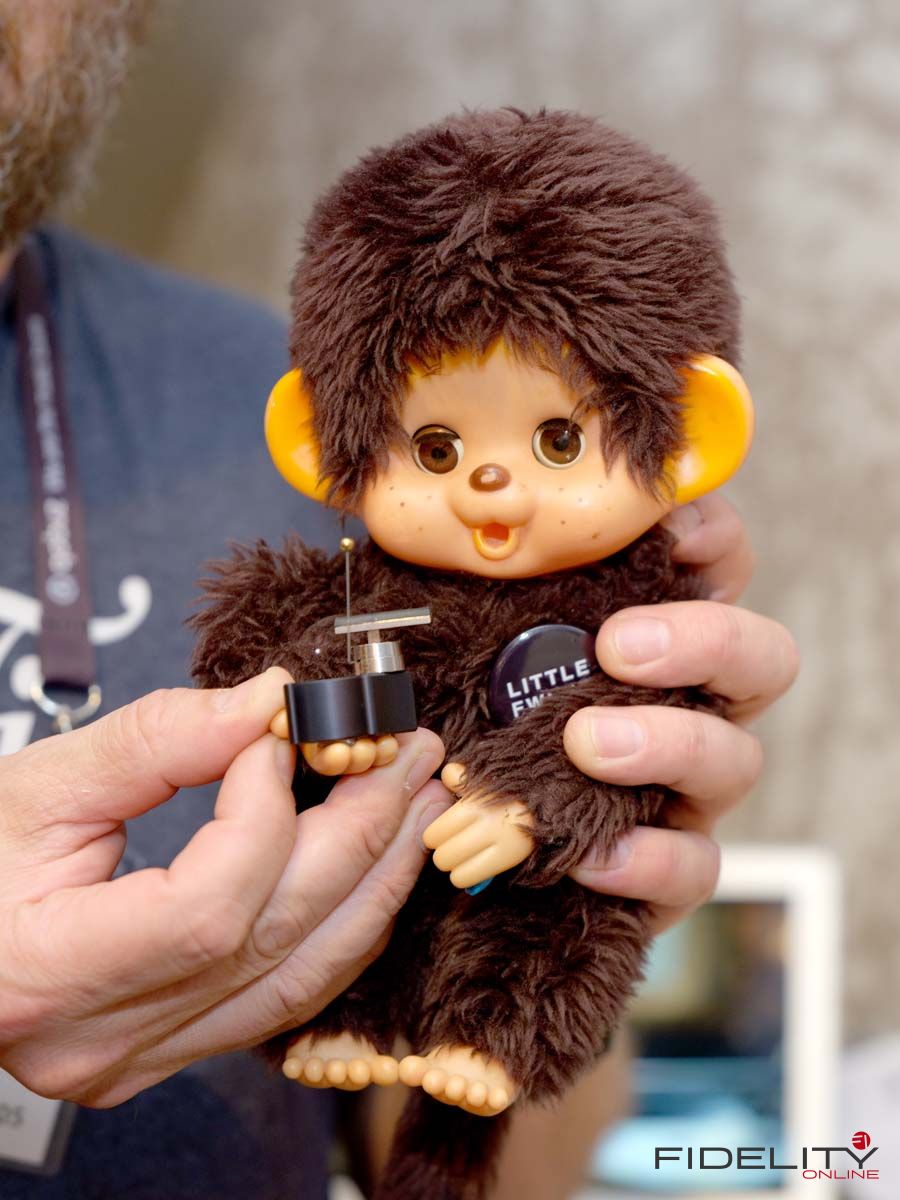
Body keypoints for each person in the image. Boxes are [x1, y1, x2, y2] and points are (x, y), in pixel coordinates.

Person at [0, 3, 799, 1197]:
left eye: (554, 439)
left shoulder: (235, 387)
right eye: (437, 450)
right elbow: (268, 641)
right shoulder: (337, 442)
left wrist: (595, 861)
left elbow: (515, 1171)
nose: (489, 484)